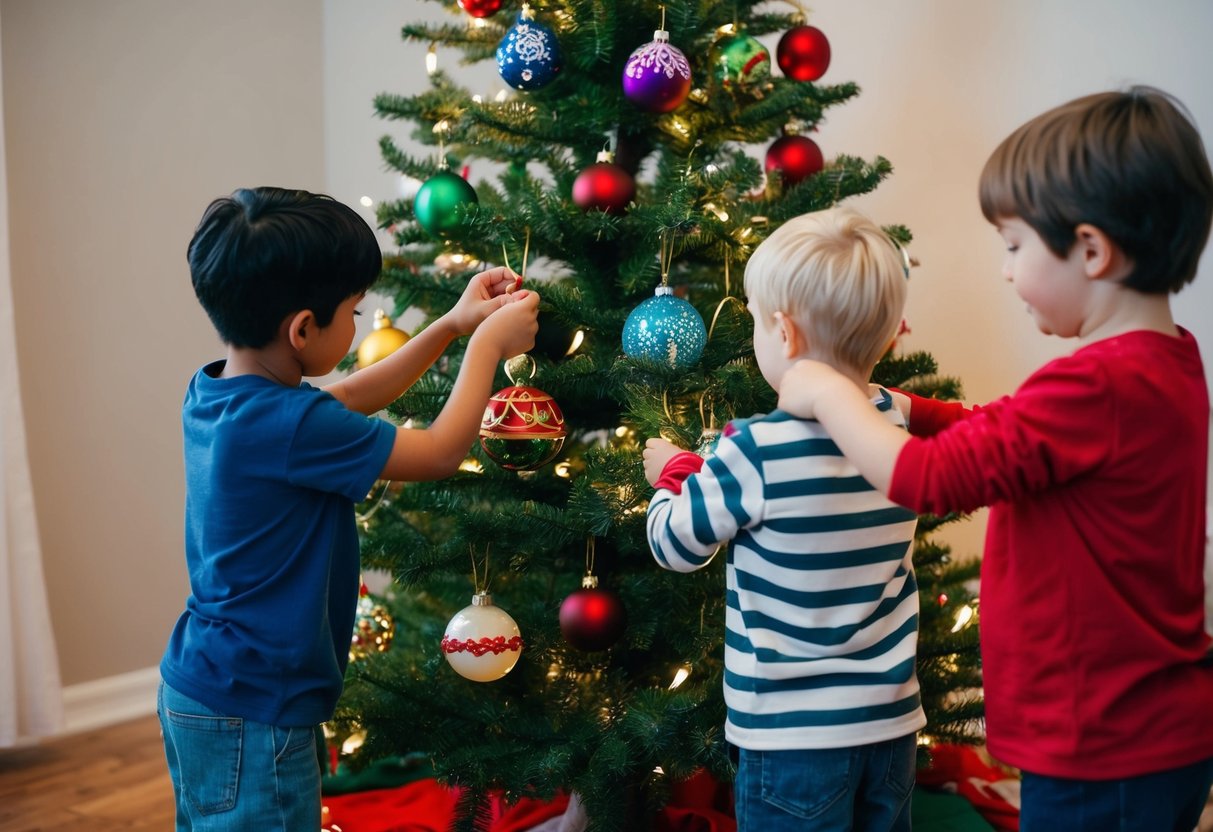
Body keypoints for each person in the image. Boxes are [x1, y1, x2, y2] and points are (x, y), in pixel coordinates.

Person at [778, 87, 1213, 831]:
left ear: (1089, 249)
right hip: (1157, 732)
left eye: (1014, 246)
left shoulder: (1090, 383)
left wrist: (825, 392)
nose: (1007, 273)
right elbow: (1014, 434)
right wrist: (910, 408)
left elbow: (925, 478)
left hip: (1098, 746)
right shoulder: (1167, 362)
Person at [157, 186, 539, 830]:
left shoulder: (219, 392)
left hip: (203, 687)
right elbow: (442, 451)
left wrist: (450, 325)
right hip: (260, 707)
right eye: (355, 313)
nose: (360, 325)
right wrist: (487, 349)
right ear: (303, 328)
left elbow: (347, 395)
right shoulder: (288, 424)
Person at [643, 206, 925, 831]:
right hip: (891, 723)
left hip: (791, 737)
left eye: (752, 322)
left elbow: (675, 543)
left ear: (785, 334)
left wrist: (669, 473)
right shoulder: (895, 422)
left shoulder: (758, 448)